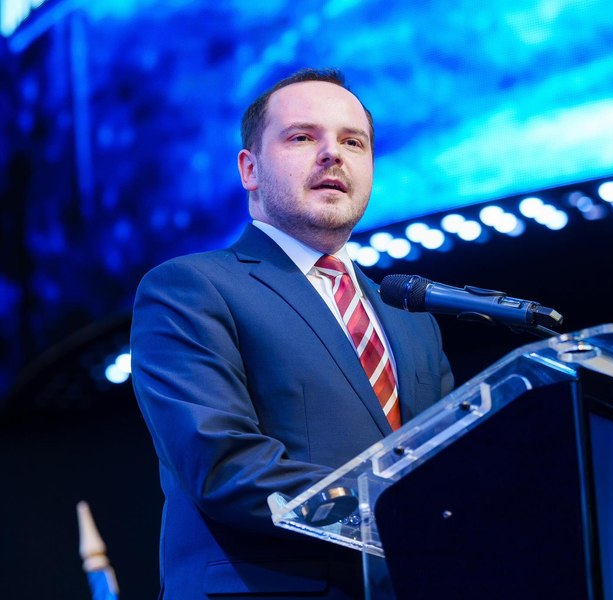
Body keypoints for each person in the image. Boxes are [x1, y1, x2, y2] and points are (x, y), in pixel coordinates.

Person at [130, 68, 454, 599]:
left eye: (353, 142)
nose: (333, 155)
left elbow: (449, 470)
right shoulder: (190, 287)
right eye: (303, 137)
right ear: (249, 169)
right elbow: (224, 465)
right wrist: (401, 516)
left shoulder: (410, 317)